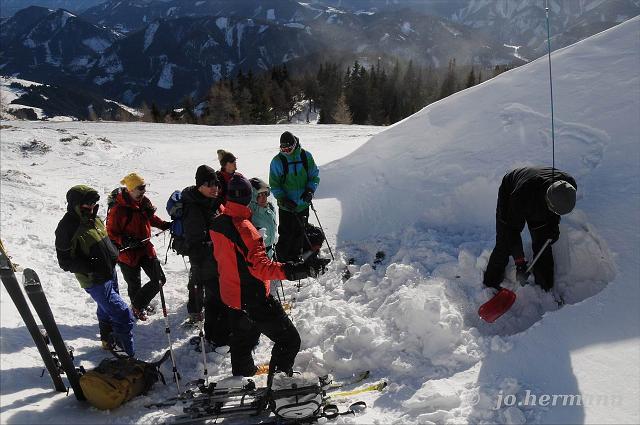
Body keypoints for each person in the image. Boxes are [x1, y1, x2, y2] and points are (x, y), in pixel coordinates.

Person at [210, 174, 325, 377]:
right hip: (252, 296)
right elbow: (262, 268)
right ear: (249, 197)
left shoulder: (218, 222)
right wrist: (298, 269)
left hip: (231, 295)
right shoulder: (247, 230)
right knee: (289, 340)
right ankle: (280, 383)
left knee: (243, 339)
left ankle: (243, 376)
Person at [55, 185, 135, 356]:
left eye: (93, 203)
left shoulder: (94, 219)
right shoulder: (66, 228)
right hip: (94, 280)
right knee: (122, 314)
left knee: (106, 309)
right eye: (87, 203)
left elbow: (103, 243)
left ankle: (108, 341)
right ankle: (127, 357)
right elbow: (65, 262)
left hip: (109, 272)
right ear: (75, 204)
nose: (91, 207)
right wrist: (92, 268)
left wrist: (116, 248)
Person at [483, 166, 577, 291]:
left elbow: (556, 213)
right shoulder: (521, 196)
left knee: (543, 241)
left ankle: (545, 288)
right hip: (513, 187)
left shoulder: (570, 186)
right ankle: (490, 284)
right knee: (504, 242)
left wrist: (553, 227)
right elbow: (511, 231)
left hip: (539, 192)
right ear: (548, 200)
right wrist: (520, 262)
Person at [106, 173, 171, 321]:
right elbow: (110, 233)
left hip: (145, 248)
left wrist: (163, 225)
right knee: (134, 284)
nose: (143, 191)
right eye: (139, 188)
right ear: (130, 189)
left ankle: (138, 304)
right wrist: (126, 240)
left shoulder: (143, 201)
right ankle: (137, 308)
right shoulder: (118, 209)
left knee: (159, 279)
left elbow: (150, 217)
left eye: (144, 187)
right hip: (127, 254)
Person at [181, 165, 230, 346]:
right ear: (199, 186)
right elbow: (197, 242)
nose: (214, 188)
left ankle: (214, 335)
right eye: (209, 184)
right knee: (215, 300)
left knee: (214, 300)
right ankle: (216, 337)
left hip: (215, 259)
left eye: (216, 184)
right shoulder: (194, 208)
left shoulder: (212, 202)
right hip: (206, 262)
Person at [269, 131, 320, 262]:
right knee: (286, 233)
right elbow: (274, 184)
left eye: (289, 148)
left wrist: (310, 190)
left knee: (300, 232)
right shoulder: (277, 161)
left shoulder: (305, 156)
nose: (286, 151)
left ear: (295, 144)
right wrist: (283, 199)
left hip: (303, 203)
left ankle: (297, 257)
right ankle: (282, 261)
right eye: (283, 149)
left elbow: (314, 176)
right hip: (287, 206)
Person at [248, 178, 278, 259]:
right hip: (258, 256)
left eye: (265, 194)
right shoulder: (249, 212)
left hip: (270, 252)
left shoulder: (270, 209)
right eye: (259, 195)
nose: (263, 197)